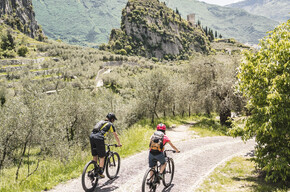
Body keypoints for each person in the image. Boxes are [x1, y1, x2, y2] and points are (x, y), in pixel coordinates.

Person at [89, 113, 122, 178]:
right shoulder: (110, 124)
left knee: (95, 155)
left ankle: (95, 170)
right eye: (114, 120)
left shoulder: (100, 122)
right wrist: (119, 143)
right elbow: (115, 135)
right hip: (99, 138)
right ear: (112, 119)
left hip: (91, 136)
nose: (113, 121)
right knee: (102, 156)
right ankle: (100, 172)